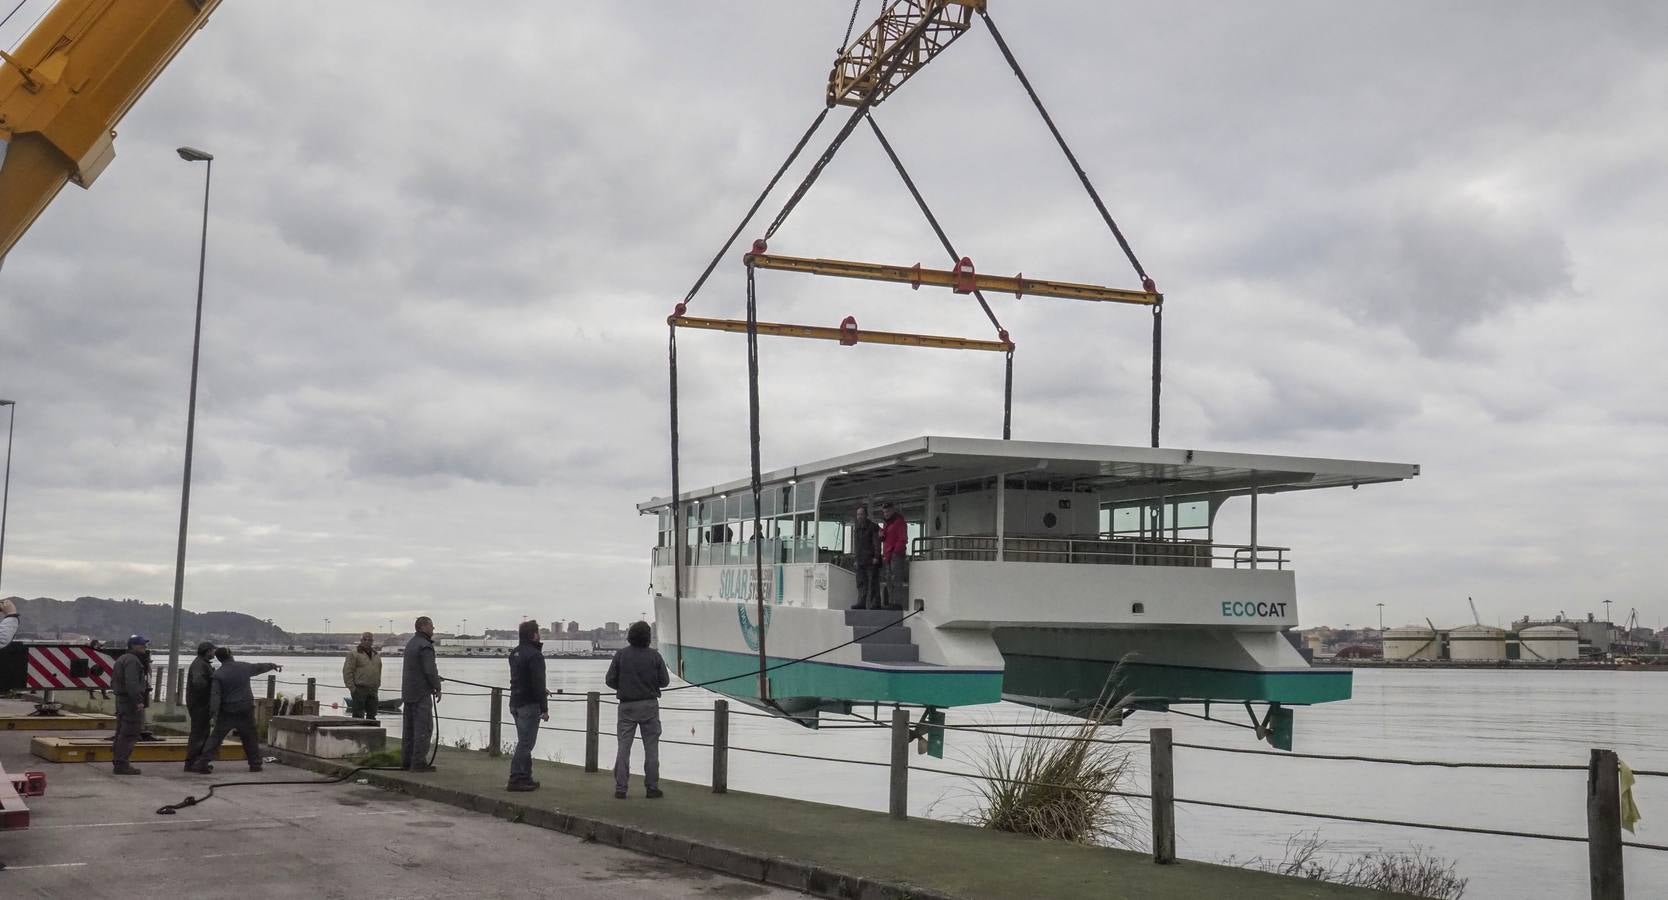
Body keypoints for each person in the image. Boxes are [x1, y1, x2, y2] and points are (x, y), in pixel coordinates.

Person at [605, 620, 669, 800]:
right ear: (648, 637)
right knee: (651, 749)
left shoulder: (621, 655)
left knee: (623, 747)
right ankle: (652, 787)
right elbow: (664, 681)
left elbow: (609, 680)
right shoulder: (655, 656)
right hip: (649, 705)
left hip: (626, 706)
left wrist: (623, 686)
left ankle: (621, 787)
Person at [193, 648, 280, 774]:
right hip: (245, 709)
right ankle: (255, 764)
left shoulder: (218, 674)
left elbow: (215, 697)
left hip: (227, 711)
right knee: (250, 737)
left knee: (216, 738)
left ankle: (202, 762)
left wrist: (214, 714)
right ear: (230, 655)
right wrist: (273, 666)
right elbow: (259, 667)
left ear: (219, 658)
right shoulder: (243, 667)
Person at [505, 620, 548, 792]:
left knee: (523, 740)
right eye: (538, 632)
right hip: (529, 704)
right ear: (534, 635)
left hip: (515, 701)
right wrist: (544, 708)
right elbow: (538, 682)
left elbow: (522, 678)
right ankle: (516, 778)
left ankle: (526, 776)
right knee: (526, 743)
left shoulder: (514, 653)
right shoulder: (535, 656)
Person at [401, 616, 442, 772]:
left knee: (409, 730)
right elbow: (430, 670)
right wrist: (437, 686)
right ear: (423, 627)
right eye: (431, 626)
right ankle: (418, 762)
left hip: (408, 692)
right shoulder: (425, 646)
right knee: (423, 729)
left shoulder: (411, 644)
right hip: (421, 693)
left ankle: (406, 761)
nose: (433, 628)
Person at [109, 634, 151, 775]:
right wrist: (138, 701)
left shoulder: (122, 659)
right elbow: (132, 683)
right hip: (130, 702)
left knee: (121, 732)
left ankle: (118, 761)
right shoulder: (133, 661)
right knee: (129, 733)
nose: (144, 648)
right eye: (142, 645)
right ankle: (122, 764)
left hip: (122, 700)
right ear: (134, 646)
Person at [182, 641, 217, 773]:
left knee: (202, 733)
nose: (214, 653)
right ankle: (192, 763)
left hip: (200, 703)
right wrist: (212, 681)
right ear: (207, 651)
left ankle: (197, 762)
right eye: (213, 650)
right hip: (199, 704)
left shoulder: (202, 664)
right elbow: (199, 683)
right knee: (199, 734)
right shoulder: (199, 665)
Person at [342, 632, 383, 723]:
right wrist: (352, 688)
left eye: (370, 640)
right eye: (365, 639)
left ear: (372, 641)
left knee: (372, 715)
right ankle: (356, 736)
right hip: (359, 689)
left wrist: (377, 685)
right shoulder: (354, 654)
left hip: (373, 689)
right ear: (361, 640)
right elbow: (347, 672)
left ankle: (372, 736)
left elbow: (379, 670)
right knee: (358, 716)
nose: (367, 641)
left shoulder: (376, 655)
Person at [879, 501, 909, 610]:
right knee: (889, 580)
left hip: (895, 555)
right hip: (888, 555)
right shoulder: (887, 524)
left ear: (893, 510)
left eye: (887, 511)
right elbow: (885, 538)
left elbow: (903, 539)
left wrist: (895, 552)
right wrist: (881, 534)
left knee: (896, 579)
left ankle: (897, 603)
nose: (886, 514)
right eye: (884, 512)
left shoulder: (899, 522)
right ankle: (891, 602)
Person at [851, 504, 881, 610]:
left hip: (871, 560)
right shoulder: (857, 528)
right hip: (860, 560)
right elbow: (856, 545)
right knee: (861, 583)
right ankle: (861, 602)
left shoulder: (873, 527)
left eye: (861, 514)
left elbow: (876, 543)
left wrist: (876, 557)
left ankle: (875, 604)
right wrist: (856, 559)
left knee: (873, 582)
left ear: (866, 515)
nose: (859, 516)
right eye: (858, 514)